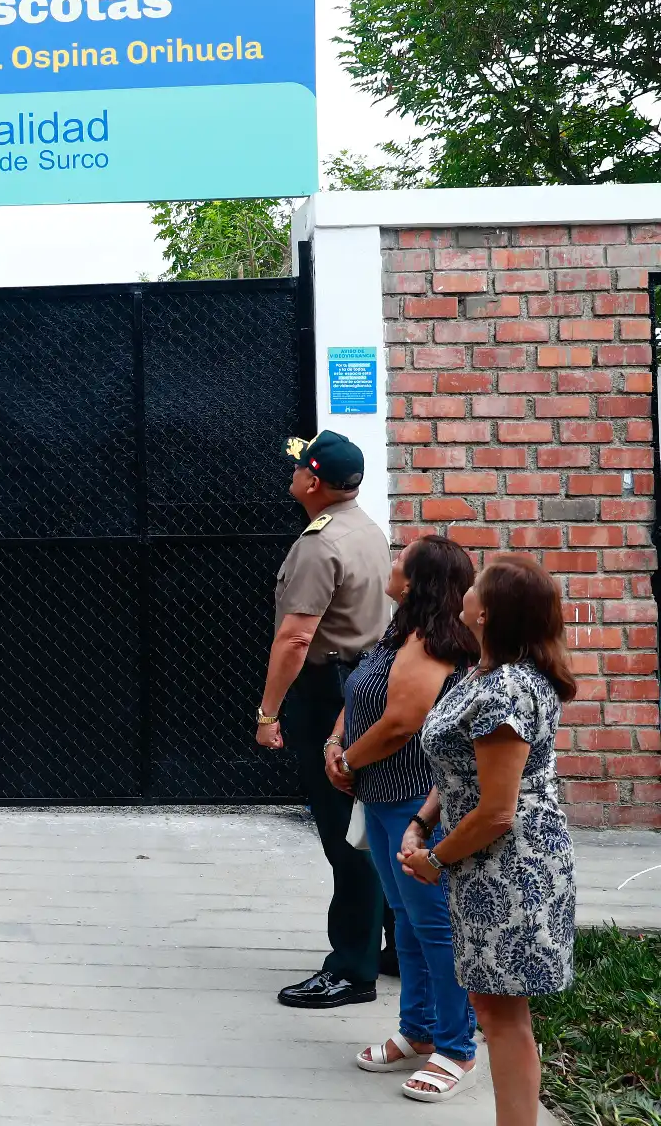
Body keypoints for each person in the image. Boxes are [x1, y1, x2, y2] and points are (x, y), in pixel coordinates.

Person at [402, 553, 577, 1119]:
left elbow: (498, 809)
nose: (467, 589)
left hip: (510, 865)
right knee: (491, 1004)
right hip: (482, 860)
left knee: (503, 1016)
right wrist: (423, 821)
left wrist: (436, 858)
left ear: (490, 612)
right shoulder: (483, 676)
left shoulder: (506, 691)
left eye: (477, 586)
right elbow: (460, 771)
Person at [327, 535, 480, 1096]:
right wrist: (334, 740)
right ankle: (417, 1031)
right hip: (381, 794)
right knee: (407, 920)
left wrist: (348, 758)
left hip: (414, 801)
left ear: (416, 581)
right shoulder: (398, 631)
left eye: (400, 560)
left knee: (433, 926)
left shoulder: (433, 642)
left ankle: (456, 1048)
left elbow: (400, 722)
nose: (391, 563)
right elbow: (361, 695)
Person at [257, 430, 392, 1008]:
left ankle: (351, 969)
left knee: (346, 834)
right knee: (375, 824)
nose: (289, 477)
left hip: (329, 688)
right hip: (365, 685)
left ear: (312, 481)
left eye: (296, 469)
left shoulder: (319, 544)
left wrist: (268, 712)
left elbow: (295, 638)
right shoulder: (366, 528)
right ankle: (392, 947)